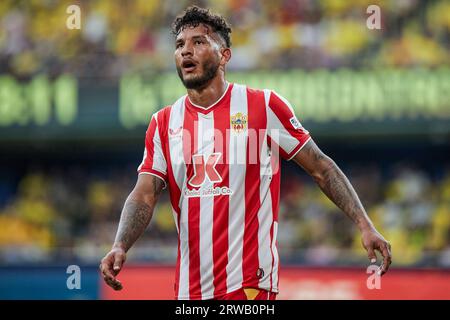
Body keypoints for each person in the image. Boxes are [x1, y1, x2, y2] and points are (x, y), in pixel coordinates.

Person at [100, 6, 392, 300]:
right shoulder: (163, 123)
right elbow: (145, 194)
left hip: (249, 284)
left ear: (225, 55)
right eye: (179, 45)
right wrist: (120, 245)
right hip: (190, 290)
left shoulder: (263, 107)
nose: (186, 51)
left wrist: (365, 225)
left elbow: (321, 168)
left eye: (199, 42)